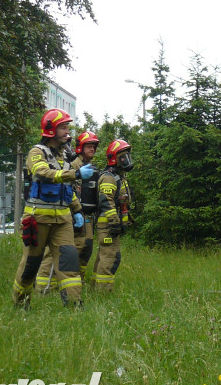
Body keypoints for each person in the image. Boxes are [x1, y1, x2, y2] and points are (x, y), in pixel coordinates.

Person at [12, 109, 95, 309]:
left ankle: (75, 305)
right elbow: (42, 173)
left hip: (62, 220)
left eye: (67, 127)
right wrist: (73, 174)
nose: (67, 131)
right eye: (63, 127)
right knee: (31, 265)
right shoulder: (36, 152)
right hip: (38, 219)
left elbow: (66, 188)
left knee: (69, 262)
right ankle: (21, 304)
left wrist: (76, 210)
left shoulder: (65, 155)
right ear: (51, 129)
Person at [35, 130, 100, 293]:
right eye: (89, 146)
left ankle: (77, 284)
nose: (92, 149)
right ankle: (44, 288)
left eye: (94, 146)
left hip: (83, 214)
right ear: (80, 147)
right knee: (55, 252)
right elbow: (66, 187)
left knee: (83, 248)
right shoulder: (73, 165)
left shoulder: (90, 168)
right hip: (66, 213)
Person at [92, 139, 134, 292]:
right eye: (123, 157)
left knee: (104, 257)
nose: (127, 160)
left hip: (112, 226)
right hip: (108, 226)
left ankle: (95, 289)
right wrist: (115, 222)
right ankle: (103, 293)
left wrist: (125, 221)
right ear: (115, 158)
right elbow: (105, 201)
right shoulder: (109, 178)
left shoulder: (119, 177)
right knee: (110, 259)